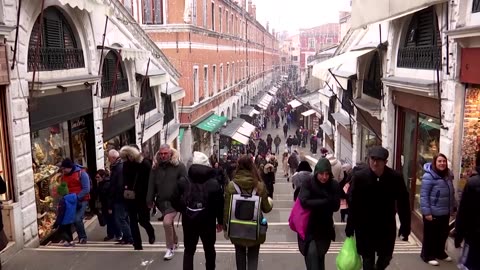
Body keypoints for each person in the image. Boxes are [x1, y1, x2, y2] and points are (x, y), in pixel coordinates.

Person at [345, 146, 411, 270]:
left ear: (385, 162)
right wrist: (350, 225)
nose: (375, 163)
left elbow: (403, 202)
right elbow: (353, 202)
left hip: (385, 226)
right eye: (372, 159)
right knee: (367, 259)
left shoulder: (395, 177)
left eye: (379, 160)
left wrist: (405, 226)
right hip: (365, 226)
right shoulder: (360, 177)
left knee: (386, 257)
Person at [174, 152, 224, 270]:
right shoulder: (214, 183)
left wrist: (183, 210)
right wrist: (220, 221)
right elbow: (220, 204)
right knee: (209, 249)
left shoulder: (183, 181)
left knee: (189, 251)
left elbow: (173, 198)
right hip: (208, 221)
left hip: (189, 220)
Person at [223, 155, 273, 270]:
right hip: (254, 228)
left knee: (239, 253)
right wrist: (269, 202)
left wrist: (226, 227)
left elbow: (227, 209)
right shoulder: (259, 186)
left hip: (236, 226)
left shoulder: (232, 186)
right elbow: (266, 208)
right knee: (253, 256)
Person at [297, 158, 340, 270]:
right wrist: (325, 201)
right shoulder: (308, 182)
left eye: (327, 174)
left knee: (319, 258)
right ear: (316, 172)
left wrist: (319, 202)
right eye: (321, 174)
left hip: (324, 229)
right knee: (312, 256)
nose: (324, 177)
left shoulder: (334, 185)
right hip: (308, 228)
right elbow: (304, 201)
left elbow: (336, 206)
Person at [147, 144, 187, 260]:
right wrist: (149, 200)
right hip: (161, 202)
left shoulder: (179, 166)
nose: (163, 156)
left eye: (165, 153)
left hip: (174, 201)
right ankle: (175, 240)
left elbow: (186, 183)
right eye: (161, 154)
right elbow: (151, 184)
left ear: (170, 153)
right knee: (169, 223)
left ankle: (170, 248)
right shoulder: (155, 167)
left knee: (166, 222)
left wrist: (185, 199)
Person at [419, 153, 456, 266]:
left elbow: (451, 193)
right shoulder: (428, 176)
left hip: (444, 212)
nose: (442, 163)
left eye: (444, 161)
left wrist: (453, 208)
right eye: (439, 161)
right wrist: (427, 212)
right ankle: (427, 255)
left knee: (442, 234)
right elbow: (424, 196)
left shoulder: (448, 175)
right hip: (432, 212)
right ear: (435, 163)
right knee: (430, 235)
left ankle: (440, 253)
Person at [120, 145, 156, 250]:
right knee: (133, 221)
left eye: (127, 157)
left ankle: (150, 231)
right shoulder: (126, 165)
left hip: (142, 197)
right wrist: (125, 190)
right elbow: (124, 179)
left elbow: (150, 182)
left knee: (143, 221)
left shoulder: (144, 164)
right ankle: (137, 244)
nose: (126, 160)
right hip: (130, 197)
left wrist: (151, 198)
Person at [455, 151, 480, 270]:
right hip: (474, 232)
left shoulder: (472, 182)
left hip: (474, 234)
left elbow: (464, 211)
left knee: (470, 263)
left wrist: (458, 235)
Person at [60, 158, 91, 244]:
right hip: (69, 201)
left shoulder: (82, 174)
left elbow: (86, 189)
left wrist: (77, 198)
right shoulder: (64, 176)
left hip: (82, 200)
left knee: (77, 219)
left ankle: (82, 237)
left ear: (69, 167)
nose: (63, 170)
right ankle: (68, 239)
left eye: (64, 168)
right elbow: (63, 188)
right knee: (67, 219)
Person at [107, 150, 133, 245]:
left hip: (120, 198)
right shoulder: (119, 166)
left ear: (113, 158)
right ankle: (127, 237)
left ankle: (129, 237)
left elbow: (117, 186)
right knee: (124, 218)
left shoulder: (118, 168)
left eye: (109, 158)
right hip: (122, 197)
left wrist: (112, 199)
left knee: (120, 218)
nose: (108, 160)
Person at [95, 169, 121, 241]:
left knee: (113, 220)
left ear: (103, 176)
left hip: (109, 204)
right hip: (104, 204)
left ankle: (118, 234)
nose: (97, 179)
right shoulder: (101, 183)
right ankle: (111, 234)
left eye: (98, 177)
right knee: (108, 220)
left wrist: (110, 207)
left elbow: (110, 197)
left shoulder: (107, 184)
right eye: (96, 177)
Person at [53, 182, 77, 247]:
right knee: (68, 230)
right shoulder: (73, 197)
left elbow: (61, 213)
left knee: (61, 231)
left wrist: (57, 222)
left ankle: (70, 242)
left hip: (64, 219)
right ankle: (70, 241)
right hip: (71, 217)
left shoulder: (63, 201)